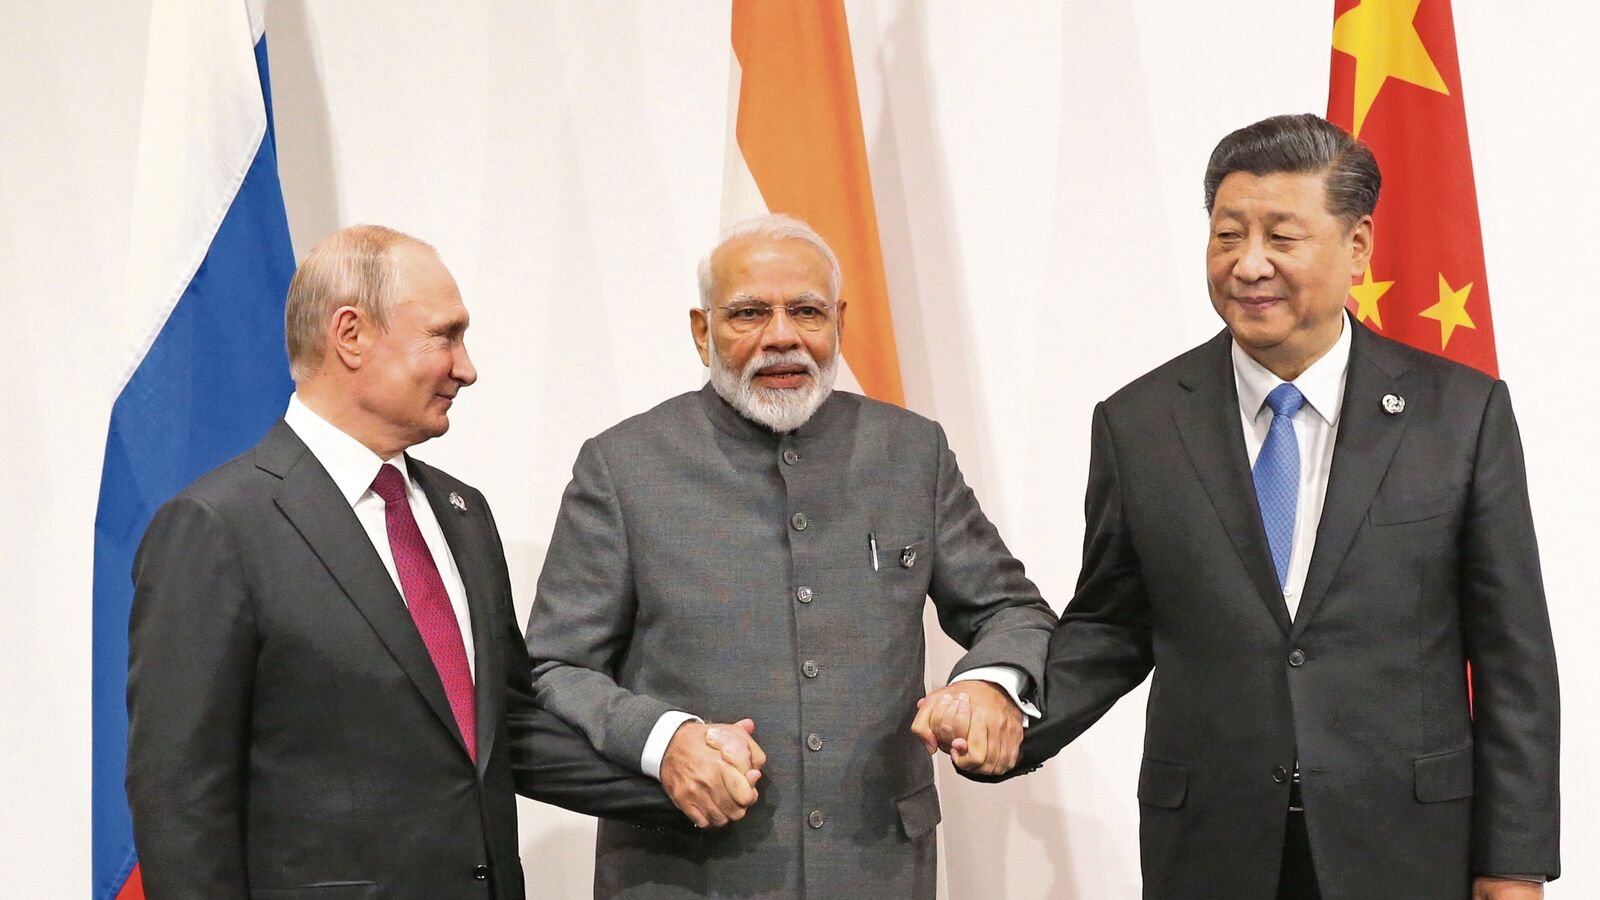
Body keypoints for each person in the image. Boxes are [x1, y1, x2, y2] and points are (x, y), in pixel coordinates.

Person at [967, 114, 1560, 899]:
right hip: (1211, 847)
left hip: (1406, 846)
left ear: (1357, 247)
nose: (1249, 265)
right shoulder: (1140, 422)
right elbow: (1113, 622)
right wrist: (1007, 713)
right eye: (1227, 236)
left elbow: (1513, 652)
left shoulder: (1459, 413)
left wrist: (1513, 862)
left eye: (1282, 237)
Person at [125, 224, 676, 899]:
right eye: (443, 336)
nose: (466, 368)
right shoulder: (218, 526)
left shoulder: (461, 514)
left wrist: (679, 770)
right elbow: (179, 797)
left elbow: (499, 730)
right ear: (350, 335)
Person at [524, 213, 1056, 898]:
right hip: (683, 874)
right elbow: (554, 665)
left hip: (878, 871)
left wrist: (991, 683)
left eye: (805, 311)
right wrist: (663, 739)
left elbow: (1010, 609)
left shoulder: (911, 452)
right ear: (701, 330)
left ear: (837, 320)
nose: (782, 337)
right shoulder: (622, 466)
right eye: (749, 313)